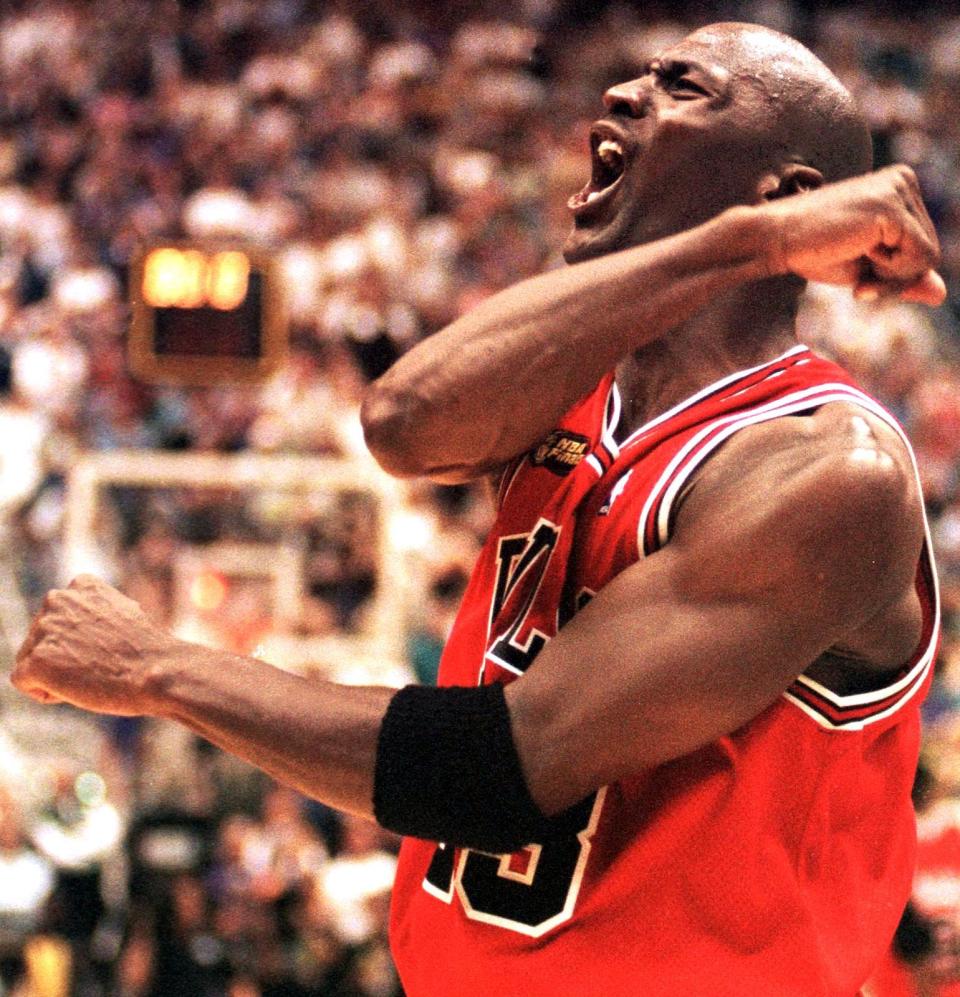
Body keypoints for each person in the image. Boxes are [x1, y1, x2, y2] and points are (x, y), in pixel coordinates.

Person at [10, 21, 948, 995]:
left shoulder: (829, 470)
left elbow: (499, 770)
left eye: (684, 87)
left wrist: (156, 669)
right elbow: (404, 424)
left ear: (789, 195)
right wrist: (742, 244)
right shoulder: (576, 391)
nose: (625, 93)